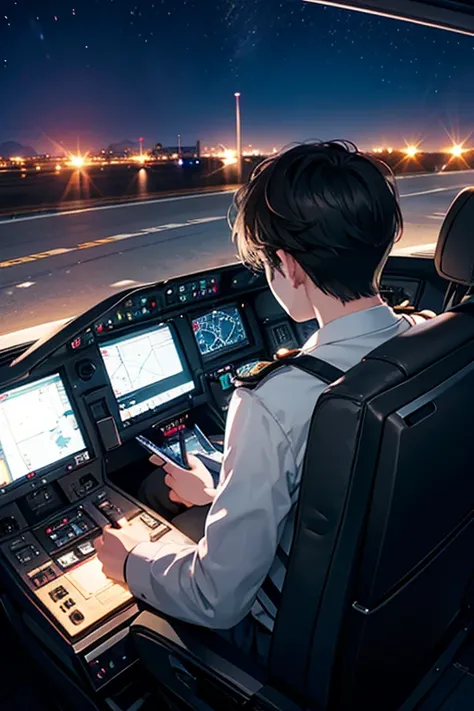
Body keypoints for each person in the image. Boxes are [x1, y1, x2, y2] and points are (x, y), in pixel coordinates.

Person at [95, 140, 427, 665]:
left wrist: (131, 561)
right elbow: (357, 483)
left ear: (288, 266)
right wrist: (221, 491)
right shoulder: (432, 337)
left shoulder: (274, 399)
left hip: (301, 640)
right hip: (408, 597)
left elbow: (217, 597)